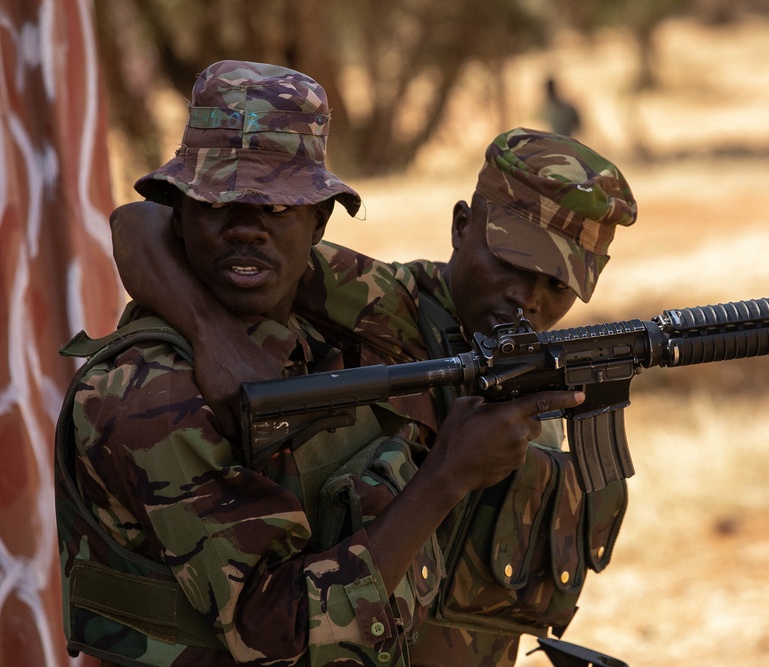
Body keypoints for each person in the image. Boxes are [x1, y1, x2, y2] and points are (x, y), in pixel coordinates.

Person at [55, 61, 584, 667]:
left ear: (320, 221)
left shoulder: (332, 325)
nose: (247, 230)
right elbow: (270, 630)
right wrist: (446, 477)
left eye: (277, 207)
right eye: (217, 201)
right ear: (180, 212)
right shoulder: (150, 394)